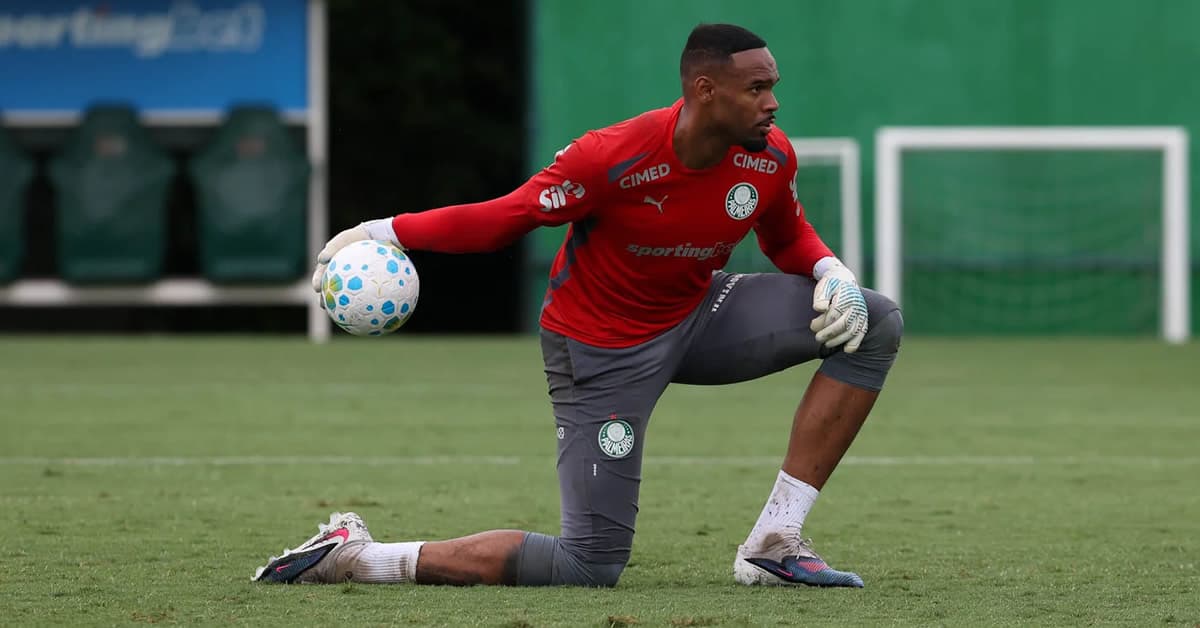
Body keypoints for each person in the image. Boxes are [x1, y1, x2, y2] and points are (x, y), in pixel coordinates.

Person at [254, 22, 901, 589]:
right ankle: (354, 556)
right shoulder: (612, 156)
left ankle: (774, 543)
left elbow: (785, 236)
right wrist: (385, 230)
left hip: (700, 312)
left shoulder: (769, 156)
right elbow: (504, 219)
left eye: (772, 86)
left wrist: (830, 269)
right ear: (705, 91)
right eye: (756, 88)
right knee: (589, 565)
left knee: (874, 321)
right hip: (601, 348)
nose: (772, 102)